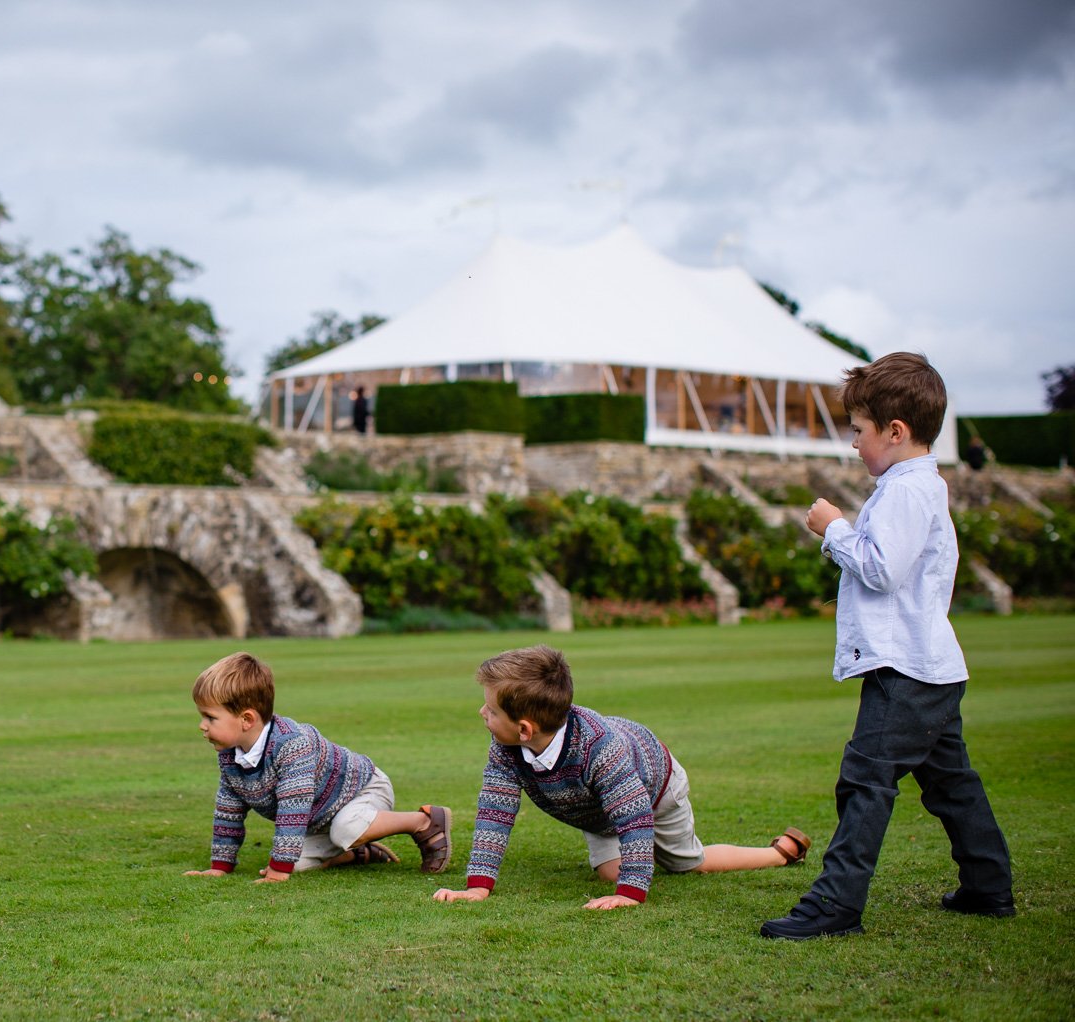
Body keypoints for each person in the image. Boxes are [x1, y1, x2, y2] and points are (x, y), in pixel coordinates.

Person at [761, 352, 1013, 939]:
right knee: (951, 783)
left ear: (895, 432)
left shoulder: (906, 492)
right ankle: (987, 886)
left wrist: (834, 529)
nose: (853, 444)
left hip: (906, 670)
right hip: (929, 666)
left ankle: (835, 906)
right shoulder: (919, 487)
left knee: (864, 782)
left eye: (858, 431)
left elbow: (880, 570)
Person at [433, 645, 810, 909]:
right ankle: (630, 868)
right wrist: (478, 887)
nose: (482, 712)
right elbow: (494, 815)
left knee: (685, 863)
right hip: (593, 805)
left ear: (526, 728)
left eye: (492, 708)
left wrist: (631, 893)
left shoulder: (601, 749)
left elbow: (635, 820)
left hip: (654, 789)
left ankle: (778, 854)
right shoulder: (505, 747)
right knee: (609, 872)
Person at [184, 652, 452, 881]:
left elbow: (293, 810)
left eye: (210, 717)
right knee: (297, 864)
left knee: (340, 831)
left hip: (362, 790)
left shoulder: (291, 745)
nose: (202, 725)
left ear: (247, 719)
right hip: (322, 818)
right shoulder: (231, 755)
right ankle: (356, 853)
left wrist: (280, 871)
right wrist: (220, 866)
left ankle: (423, 821)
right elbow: (228, 812)